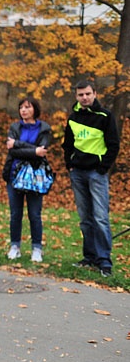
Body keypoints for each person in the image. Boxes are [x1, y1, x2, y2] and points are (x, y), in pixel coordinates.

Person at [62, 80, 120, 278]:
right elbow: (67, 144)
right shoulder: (73, 118)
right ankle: (89, 257)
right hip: (77, 172)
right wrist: (69, 164)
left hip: (97, 173)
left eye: (87, 94)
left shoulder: (105, 116)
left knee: (100, 218)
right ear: (76, 96)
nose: (84, 97)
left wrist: (103, 167)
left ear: (95, 93)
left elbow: (113, 144)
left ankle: (104, 261)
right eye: (80, 95)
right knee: (85, 219)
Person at [2, 98, 52, 262]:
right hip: (14, 175)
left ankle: (37, 248)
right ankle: (15, 246)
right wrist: (32, 150)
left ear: (35, 109)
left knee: (34, 214)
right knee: (15, 213)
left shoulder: (44, 128)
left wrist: (18, 144)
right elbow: (13, 152)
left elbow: (42, 152)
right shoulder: (15, 127)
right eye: (21, 107)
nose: (23, 110)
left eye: (27, 107)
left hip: (35, 176)